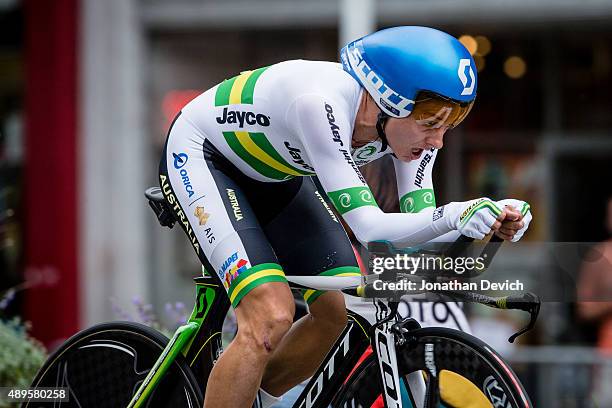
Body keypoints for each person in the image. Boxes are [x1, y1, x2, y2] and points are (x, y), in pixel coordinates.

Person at [158, 26, 532, 407]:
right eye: (431, 124)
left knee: (334, 314)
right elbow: (369, 227)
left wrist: (490, 225)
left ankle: (258, 399)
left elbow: (420, 225)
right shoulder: (319, 103)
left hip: (277, 175)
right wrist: (455, 214)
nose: (437, 141)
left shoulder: (413, 134)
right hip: (204, 156)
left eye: (448, 126)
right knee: (269, 316)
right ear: (388, 101)